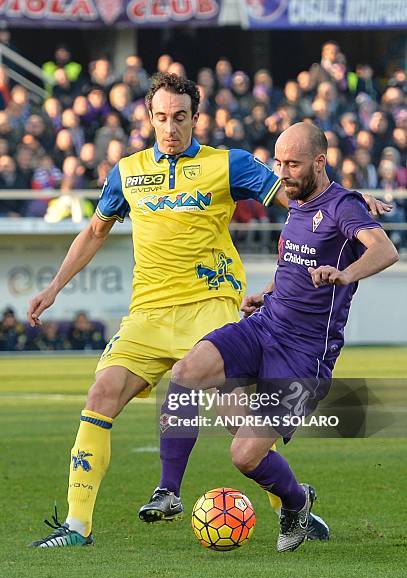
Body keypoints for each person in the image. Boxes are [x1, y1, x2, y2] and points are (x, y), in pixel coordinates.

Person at [28, 73, 389, 548]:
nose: (171, 127)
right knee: (100, 395)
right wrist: (54, 285)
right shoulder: (127, 172)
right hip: (148, 313)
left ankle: (292, 503)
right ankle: (79, 527)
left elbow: (299, 195)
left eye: (180, 117)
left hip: (212, 304)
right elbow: (95, 232)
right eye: (161, 117)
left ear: (196, 117)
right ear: (149, 117)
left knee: (240, 426)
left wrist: (351, 201)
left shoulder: (229, 164)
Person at [157, 122, 398, 553]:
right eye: (278, 162)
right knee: (187, 371)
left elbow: (385, 250)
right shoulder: (299, 200)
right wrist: (267, 292)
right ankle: (167, 491)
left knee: (244, 455)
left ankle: (297, 501)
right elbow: (296, 260)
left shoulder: (343, 207)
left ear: (319, 162)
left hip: (303, 355)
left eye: (292, 164)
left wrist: (346, 274)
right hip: (264, 326)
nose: (282, 172)